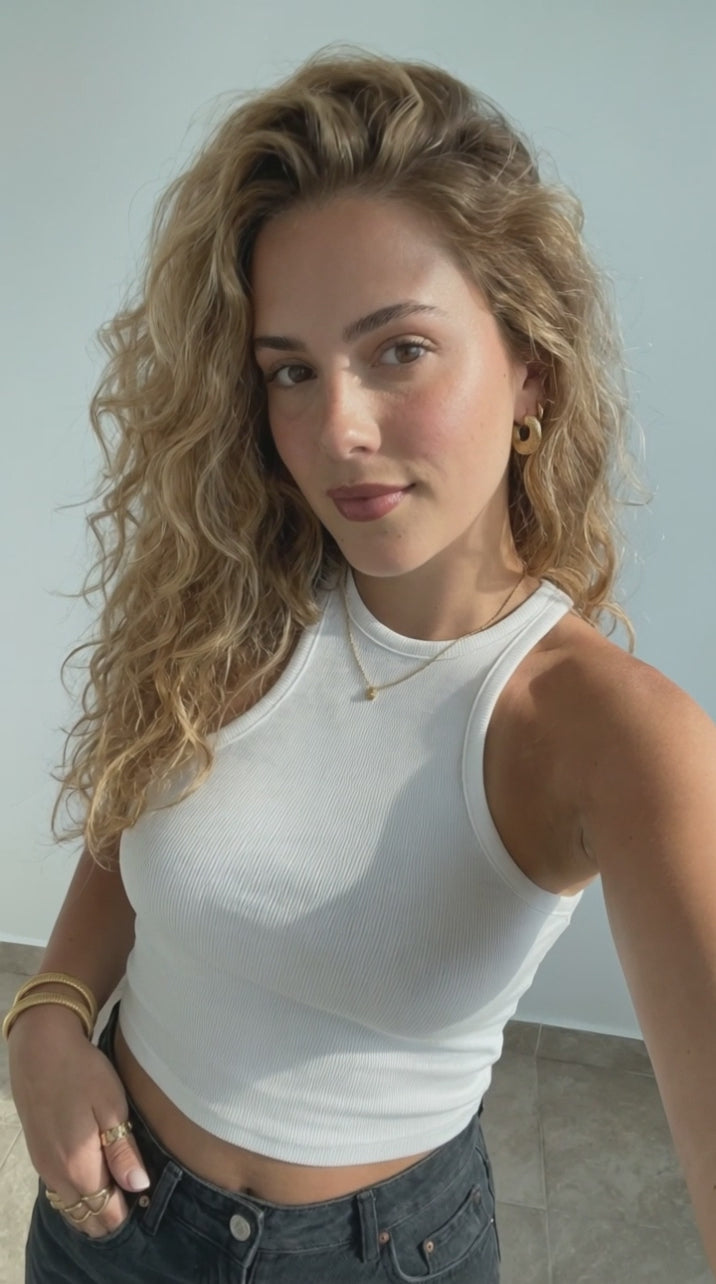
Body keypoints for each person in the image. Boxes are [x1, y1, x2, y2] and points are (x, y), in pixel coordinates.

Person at [5, 43, 716, 1284]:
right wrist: (49, 1014)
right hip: (103, 1219)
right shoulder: (235, 595)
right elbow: (137, 821)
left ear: (530, 368)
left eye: (399, 350)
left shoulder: (604, 734)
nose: (335, 427)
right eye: (290, 370)